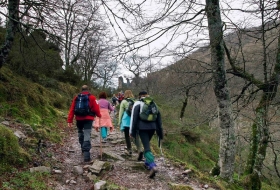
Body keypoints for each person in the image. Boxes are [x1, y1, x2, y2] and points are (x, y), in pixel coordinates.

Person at [130, 91, 163, 178]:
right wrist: (160, 133)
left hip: (142, 128)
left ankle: (153, 166)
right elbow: (159, 119)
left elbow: (134, 119)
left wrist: (132, 132)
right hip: (153, 127)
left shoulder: (137, 104)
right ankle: (147, 163)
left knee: (147, 148)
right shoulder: (153, 103)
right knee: (146, 144)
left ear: (139, 96)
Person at [67, 85, 101, 162]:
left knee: (80, 133)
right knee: (87, 134)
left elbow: (72, 109)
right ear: (88, 90)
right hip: (88, 119)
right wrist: (99, 115)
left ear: (81, 90)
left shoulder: (76, 98)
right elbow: (96, 108)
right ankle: (86, 155)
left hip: (79, 119)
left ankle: (83, 147)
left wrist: (70, 120)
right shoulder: (92, 97)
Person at [118, 90, 142, 155]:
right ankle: (139, 149)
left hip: (126, 121)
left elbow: (121, 112)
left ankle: (129, 150)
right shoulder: (135, 101)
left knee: (127, 135)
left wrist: (119, 121)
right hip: (134, 120)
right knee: (136, 135)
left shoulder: (124, 101)